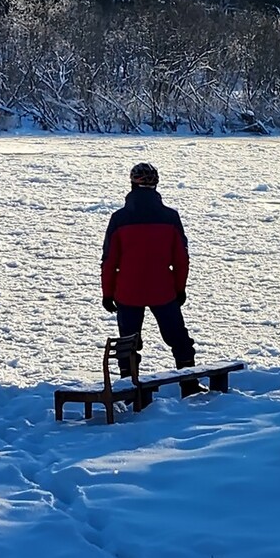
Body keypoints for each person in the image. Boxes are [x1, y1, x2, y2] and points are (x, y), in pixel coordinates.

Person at [100, 161, 198, 391]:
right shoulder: (170, 217)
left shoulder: (119, 218)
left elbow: (109, 261)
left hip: (127, 290)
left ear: (131, 185)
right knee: (178, 339)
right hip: (163, 289)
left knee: (128, 343)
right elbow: (181, 259)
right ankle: (189, 385)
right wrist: (179, 288)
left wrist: (107, 293)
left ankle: (129, 388)